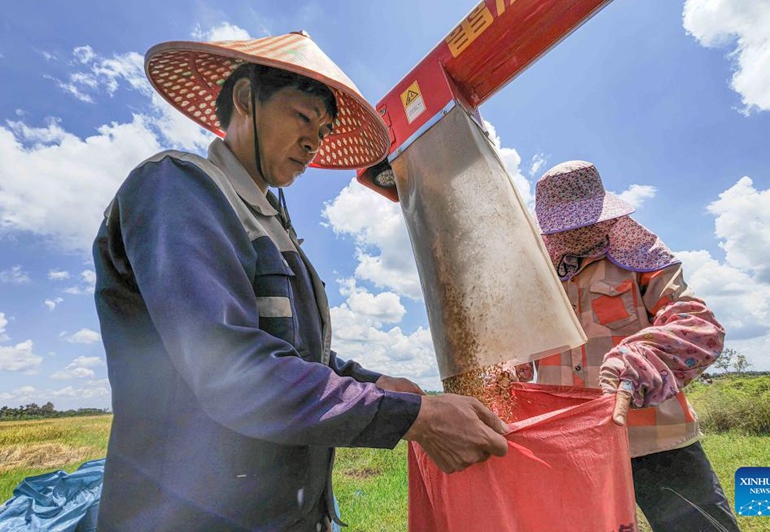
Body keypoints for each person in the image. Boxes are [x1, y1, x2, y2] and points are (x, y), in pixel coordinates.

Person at [93, 32, 508, 531]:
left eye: (324, 128)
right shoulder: (177, 188)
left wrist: (378, 384)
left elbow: (301, 358)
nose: (315, 140)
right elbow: (235, 371)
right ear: (247, 99)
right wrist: (414, 417)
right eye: (303, 117)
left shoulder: (272, 220)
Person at [532, 160, 739, 531]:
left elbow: (700, 327)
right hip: (571, 446)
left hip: (656, 439)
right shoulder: (540, 279)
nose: (573, 233)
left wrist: (635, 358)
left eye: (581, 221)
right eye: (564, 226)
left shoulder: (642, 261)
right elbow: (519, 350)